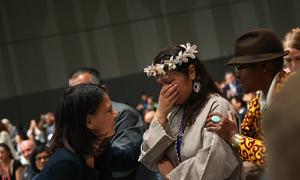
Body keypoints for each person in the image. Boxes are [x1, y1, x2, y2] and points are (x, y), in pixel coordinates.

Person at [139, 43, 244, 180]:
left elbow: (212, 167)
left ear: (191, 72)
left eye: (169, 82)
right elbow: (149, 155)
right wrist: (160, 114)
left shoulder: (217, 106)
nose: (164, 91)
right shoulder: (173, 112)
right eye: (160, 85)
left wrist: (170, 175)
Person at [205, 28, 294, 179]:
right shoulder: (258, 100)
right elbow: (244, 139)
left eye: (242, 66)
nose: (237, 74)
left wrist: (234, 137)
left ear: (265, 66)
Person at [68, 67, 145, 180]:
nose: (77, 96)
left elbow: (124, 166)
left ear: (102, 90)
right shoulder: (74, 123)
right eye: (72, 92)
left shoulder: (122, 113)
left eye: (83, 89)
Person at [37, 84, 118, 180]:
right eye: (109, 110)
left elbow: (129, 158)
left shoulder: (99, 150)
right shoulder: (64, 166)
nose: (116, 114)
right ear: (89, 122)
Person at [263, 73, 300, 180]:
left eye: (297, 59)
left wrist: (235, 138)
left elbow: (273, 151)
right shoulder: (257, 98)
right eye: (289, 60)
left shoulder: (285, 86)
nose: (238, 75)